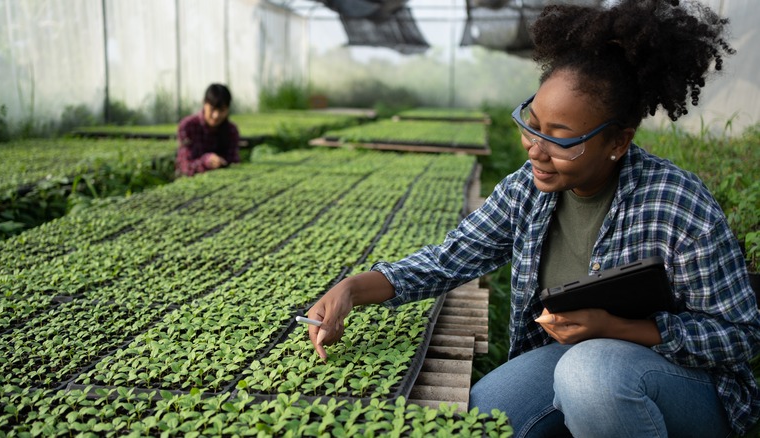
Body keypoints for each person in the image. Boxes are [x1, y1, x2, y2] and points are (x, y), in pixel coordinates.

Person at [305, 1, 760, 437]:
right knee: (483, 422)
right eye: (532, 122)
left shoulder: (676, 203)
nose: (535, 148)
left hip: (687, 384)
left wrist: (616, 329)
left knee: (591, 375)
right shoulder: (527, 189)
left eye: (560, 138)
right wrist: (353, 288)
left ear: (618, 141)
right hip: (568, 361)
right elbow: (449, 260)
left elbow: (740, 335)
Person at [176, 83, 241, 176]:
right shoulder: (188, 126)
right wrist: (206, 161)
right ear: (204, 103)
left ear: (228, 109)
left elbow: (234, 162)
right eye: (212, 109)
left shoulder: (231, 131)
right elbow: (185, 166)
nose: (216, 115)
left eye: (222, 110)